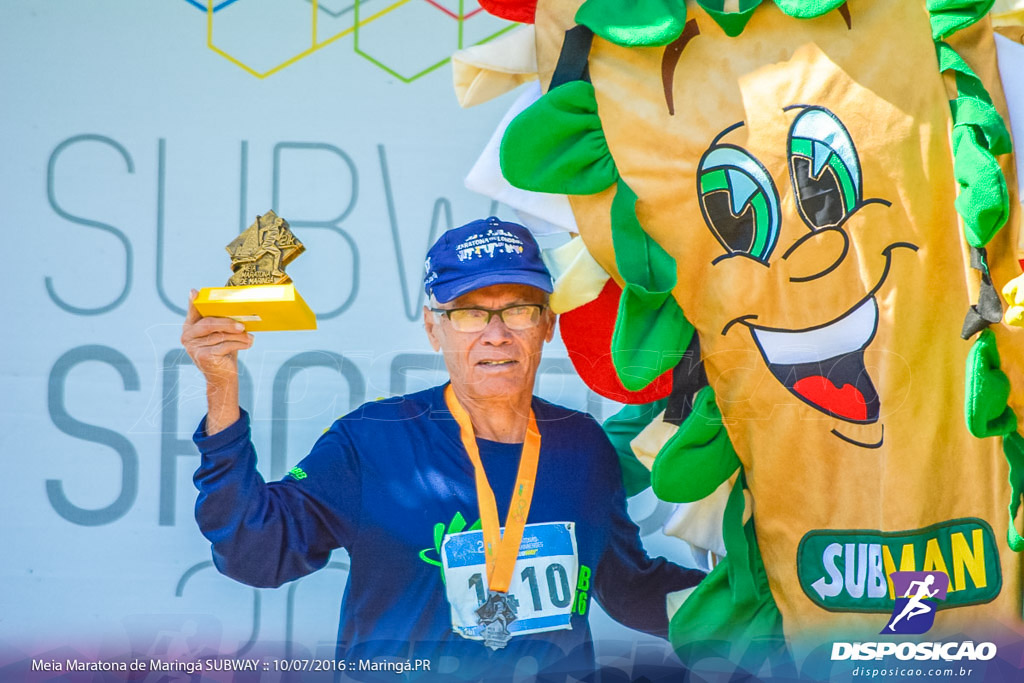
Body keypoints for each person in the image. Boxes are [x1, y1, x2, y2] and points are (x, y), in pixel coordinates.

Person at [182, 216, 705, 680]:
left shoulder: (581, 445)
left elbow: (625, 584)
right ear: (434, 328)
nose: (496, 334)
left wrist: (764, 605)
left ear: (547, 324)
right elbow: (254, 554)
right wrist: (221, 387)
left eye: (518, 310)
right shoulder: (373, 440)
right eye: (469, 313)